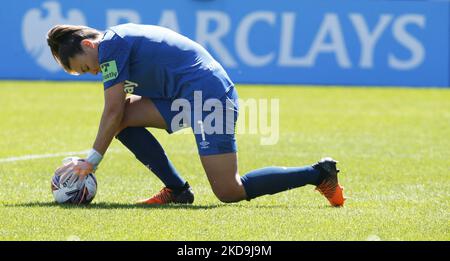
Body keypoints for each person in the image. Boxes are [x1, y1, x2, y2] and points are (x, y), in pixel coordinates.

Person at [46, 23, 345, 207]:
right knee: (122, 119)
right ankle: (176, 190)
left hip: (209, 97)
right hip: (185, 98)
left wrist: (92, 161)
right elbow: (117, 111)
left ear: (88, 45)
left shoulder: (111, 46)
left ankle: (318, 174)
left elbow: (111, 108)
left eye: (86, 67)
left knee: (229, 190)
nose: (93, 72)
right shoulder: (113, 42)